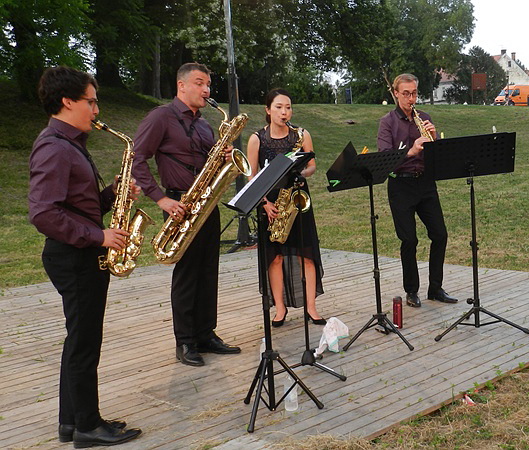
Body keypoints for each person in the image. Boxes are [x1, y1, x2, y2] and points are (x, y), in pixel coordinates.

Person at [28, 66, 142, 447]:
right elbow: (44, 213)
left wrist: (113, 194)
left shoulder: (70, 144)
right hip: (75, 256)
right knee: (84, 343)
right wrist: (99, 236)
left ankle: (71, 421)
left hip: (79, 253)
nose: (96, 110)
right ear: (67, 102)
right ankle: (88, 427)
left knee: (79, 339)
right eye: (90, 102)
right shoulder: (54, 147)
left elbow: (77, 204)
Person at [132, 62, 241, 367]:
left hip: (207, 203)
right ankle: (185, 341)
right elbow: (137, 159)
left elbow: (210, 165)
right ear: (181, 85)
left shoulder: (205, 125)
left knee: (208, 271)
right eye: (199, 83)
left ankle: (206, 334)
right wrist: (161, 199)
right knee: (188, 274)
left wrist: (225, 158)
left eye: (208, 84)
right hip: (179, 203)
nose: (206, 90)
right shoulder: (161, 117)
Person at [245, 88, 326, 327]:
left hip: (298, 199)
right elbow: (252, 176)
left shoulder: (301, 135)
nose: (284, 112)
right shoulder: (257, 139)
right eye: (279, 107)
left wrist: (302, 172)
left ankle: (311, 307)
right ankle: (280, 308)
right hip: (271, 203)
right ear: (268, 110)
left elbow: (312, 166)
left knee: (307, 255)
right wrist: (264, 203)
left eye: (288, 107)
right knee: (275, 258)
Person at [378, 73, 459, 308]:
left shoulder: (424, 118)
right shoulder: (387, 122)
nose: (411, 98)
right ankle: (411, 290)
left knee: (440, 234)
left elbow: (436, 157)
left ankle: (435, 288)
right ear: (396, 94)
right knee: (409, 240)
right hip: (400, 185)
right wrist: (411, 151)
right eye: (406, 94)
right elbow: (384, 158)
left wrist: (433, 140)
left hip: (425, 183)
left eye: (414, 93)